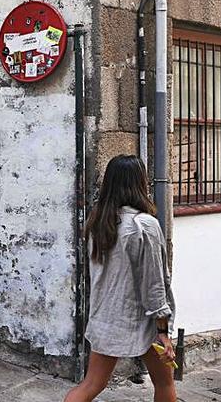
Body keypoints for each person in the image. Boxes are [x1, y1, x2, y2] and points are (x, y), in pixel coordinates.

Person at [64, 154, 177, 402]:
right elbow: (155, 284)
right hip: (144, 320)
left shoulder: (100, 221)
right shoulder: (144, 225)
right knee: (165, 383)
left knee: (91, 385)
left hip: (106, 317)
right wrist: (163, 330)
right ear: (140, 182)